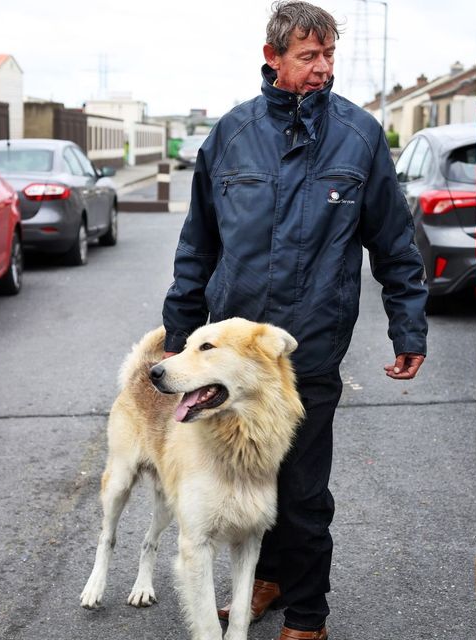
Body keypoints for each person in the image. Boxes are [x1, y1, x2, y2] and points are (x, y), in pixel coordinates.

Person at [161, 2, 428, 639]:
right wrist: (179, 340)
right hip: (228, 361)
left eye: (329, 54)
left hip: (305, 356)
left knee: (303, 493)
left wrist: (408, 327)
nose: (323, 68)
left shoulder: (359, 136)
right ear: (273, 57)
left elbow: (394, 242)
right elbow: (198, 245)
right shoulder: (230, 135)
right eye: (309, 56)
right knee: (243, 487)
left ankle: (308, 617)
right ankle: (267, 583)